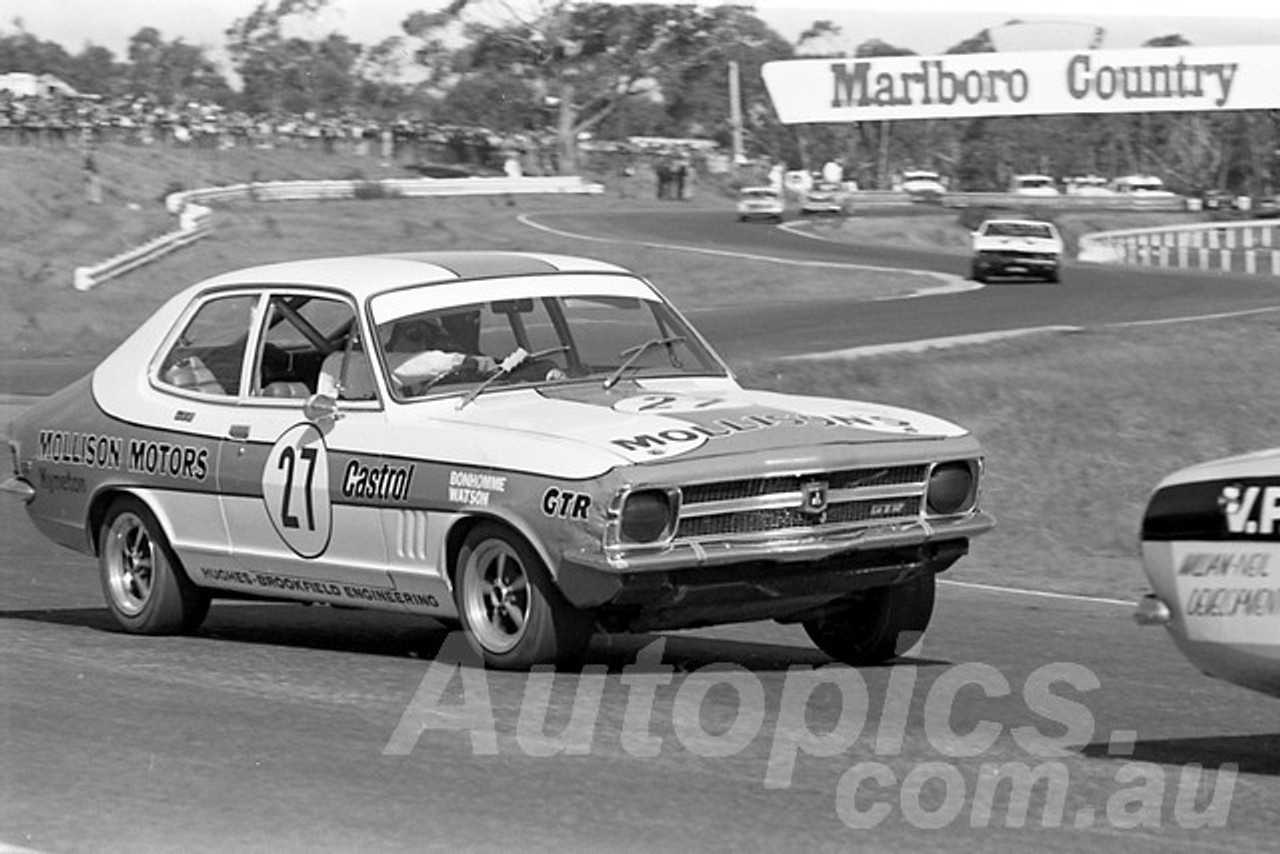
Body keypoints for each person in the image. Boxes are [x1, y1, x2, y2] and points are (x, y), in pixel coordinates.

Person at [385, 316, 496, 392]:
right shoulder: (379, 369)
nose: (423, 343)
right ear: (391, 338)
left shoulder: (430, 377)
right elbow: (406, 366)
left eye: (430, 338)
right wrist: (463, 360)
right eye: (414, 334)